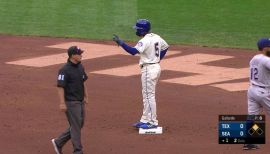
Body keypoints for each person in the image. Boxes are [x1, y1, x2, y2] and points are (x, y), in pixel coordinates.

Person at [113, 19, 169, 129]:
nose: (136, 31)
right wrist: (158, 59)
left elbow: (133, 51)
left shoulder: (144, 41)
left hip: (149, 69)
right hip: (155, 67)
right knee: (147, 95)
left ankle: (152, 122)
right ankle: (145, 119)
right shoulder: (156, 36)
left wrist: (121, 43)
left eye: (137, 29)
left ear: (142, 31)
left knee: (149, 96)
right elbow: (166, 46)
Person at [51, 46, 88, 154]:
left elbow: (83, 82)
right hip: (71, 102)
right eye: (79, 53)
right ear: (72, 55)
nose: (81, 55)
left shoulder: (80, 66)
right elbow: (60, 86)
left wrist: (86, 96)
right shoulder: (64, 70)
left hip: (80, 101)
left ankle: (58, 142)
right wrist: (62, 103)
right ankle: (78, 151)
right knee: (76, 126)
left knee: (78, 124)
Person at [244, 38, 270, 150]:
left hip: (252, 91)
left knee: (253, 117)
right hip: (264, 93)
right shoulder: (266, 60)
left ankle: (249, 142)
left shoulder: (254, 58)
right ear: (265, 48)